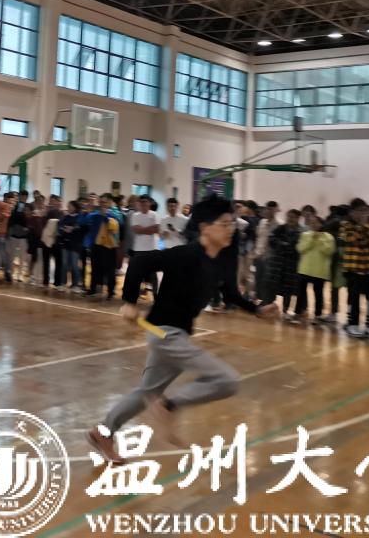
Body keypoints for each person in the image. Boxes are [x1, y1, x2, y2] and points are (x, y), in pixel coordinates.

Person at [88, 196, 279, 461]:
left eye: (232, 224)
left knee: (147, 392)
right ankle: (169, 407)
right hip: (164, 334)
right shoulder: (186, 255)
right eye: (224, 224)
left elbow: (230, 293)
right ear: (204, 227)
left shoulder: (221, 260)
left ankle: (103, 432)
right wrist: (129, 301)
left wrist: (256, 310)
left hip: (175, 334)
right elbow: (141, 262)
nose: (231, 229)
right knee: (226, 380)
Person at [339, 198, 369, 338]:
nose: (363, 214)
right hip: (353, 267)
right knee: (354, 297)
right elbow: (354, 240)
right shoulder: (345, 225)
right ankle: (353, 324)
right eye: (360, 211)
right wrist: (364, 228)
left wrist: (366, 230)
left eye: (365, 211)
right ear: (352, 212)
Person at [296, 212, 336, 324]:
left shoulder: (328, 237)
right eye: (312, 223)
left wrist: (320, 240)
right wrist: (311, 240)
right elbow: (300, 249)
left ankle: (317, 315)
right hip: (304, 269)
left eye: (316, 222)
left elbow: (329, 251)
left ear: (321, 224)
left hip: (319, 271)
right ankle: (298, 313)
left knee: (318, 295)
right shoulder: (305, 235)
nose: (314, 224)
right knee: (301, 293)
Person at [264, 208, 302, 320]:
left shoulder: (300, 232)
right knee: (272, 287)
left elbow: (295, 247)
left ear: (298, 218)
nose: (290, 219)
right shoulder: (280, 228)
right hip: (277, 264)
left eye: (293, 217)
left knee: (287, 290)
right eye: (289, 216)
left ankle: (285, 310)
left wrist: (282, 245)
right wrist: (283, 245)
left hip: (291, 266)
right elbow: (271, 240)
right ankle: (270, 308)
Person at [82, 193, 120, 299]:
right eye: (101, 202)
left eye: (104, 202)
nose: (102, 204)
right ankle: (93, 289)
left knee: (109, 270)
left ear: (109, 203)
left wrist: (106, 216)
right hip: (96, 245)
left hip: (109, 246)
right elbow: (84, 221)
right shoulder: (95, 214)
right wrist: (88, 210)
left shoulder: (113, 214)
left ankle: (110, 292)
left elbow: (118, 225)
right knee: (95, 268)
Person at [129, 195, 161, 297]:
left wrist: (142, 229)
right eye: (141, 202)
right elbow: (136, 230)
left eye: (145, 201)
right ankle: (135, 294)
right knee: (137, 273)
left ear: (149, 203)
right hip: (138, 249)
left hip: (152, 248)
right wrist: (149, 229)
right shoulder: (135, 215)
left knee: (152, 274)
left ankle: (156, 296)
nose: (143, 204)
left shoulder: (155, 215)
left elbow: (156, 229)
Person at [58, 200, 84, 290]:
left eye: (70, 206)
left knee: (74, 264)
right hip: (65, 243)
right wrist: (64, 229)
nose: (68, 208)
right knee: (64, 264)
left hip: (76, 244)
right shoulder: (65, 217)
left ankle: (75, 284)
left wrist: (72, 229)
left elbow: (81, 227)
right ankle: (63, 283)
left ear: (75, 207)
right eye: (68, 206)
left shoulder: (80, 217)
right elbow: (60, 226)